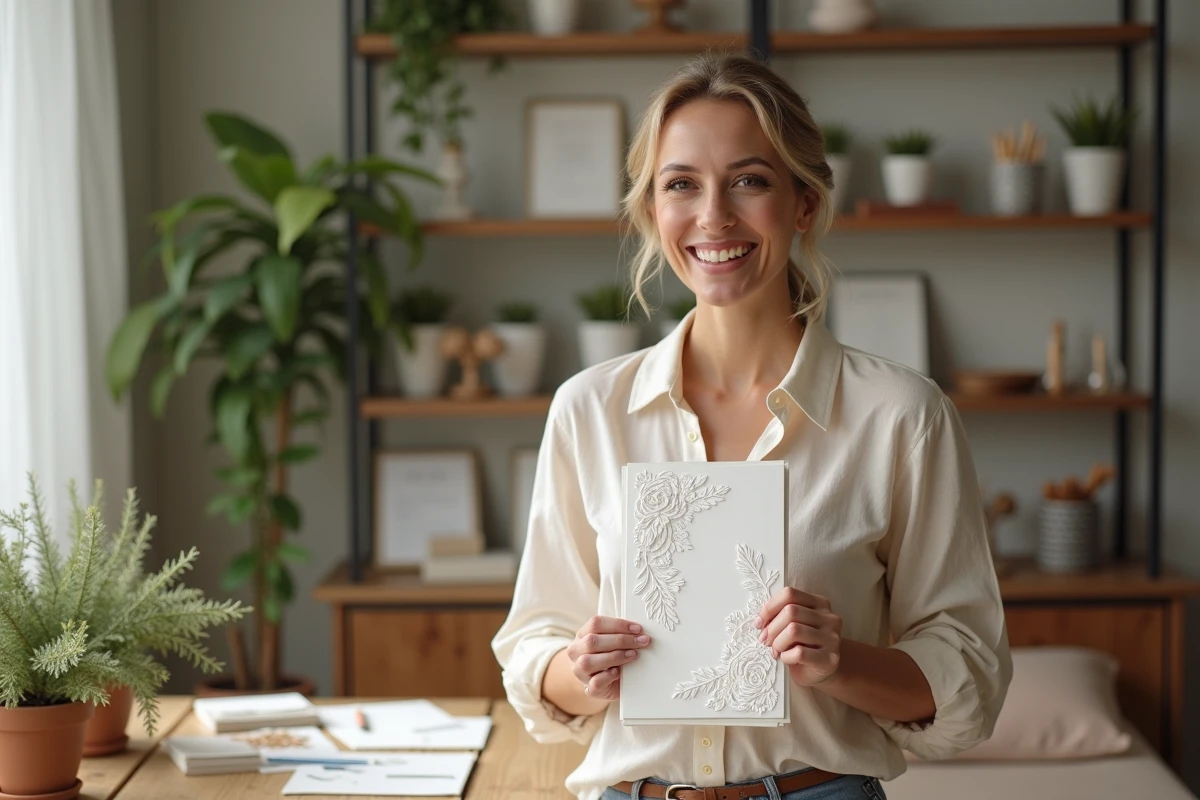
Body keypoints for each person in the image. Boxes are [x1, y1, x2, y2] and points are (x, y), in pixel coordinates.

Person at [492, 51, 1011, 800]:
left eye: (749, 180)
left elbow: (969, 674)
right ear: (651, 211)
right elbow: (534, 652)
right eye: (681, 184)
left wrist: (840, 662)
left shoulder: (903, 415)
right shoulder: (588, 410)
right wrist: (580, 669)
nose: (714, 216)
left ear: (804, 204)